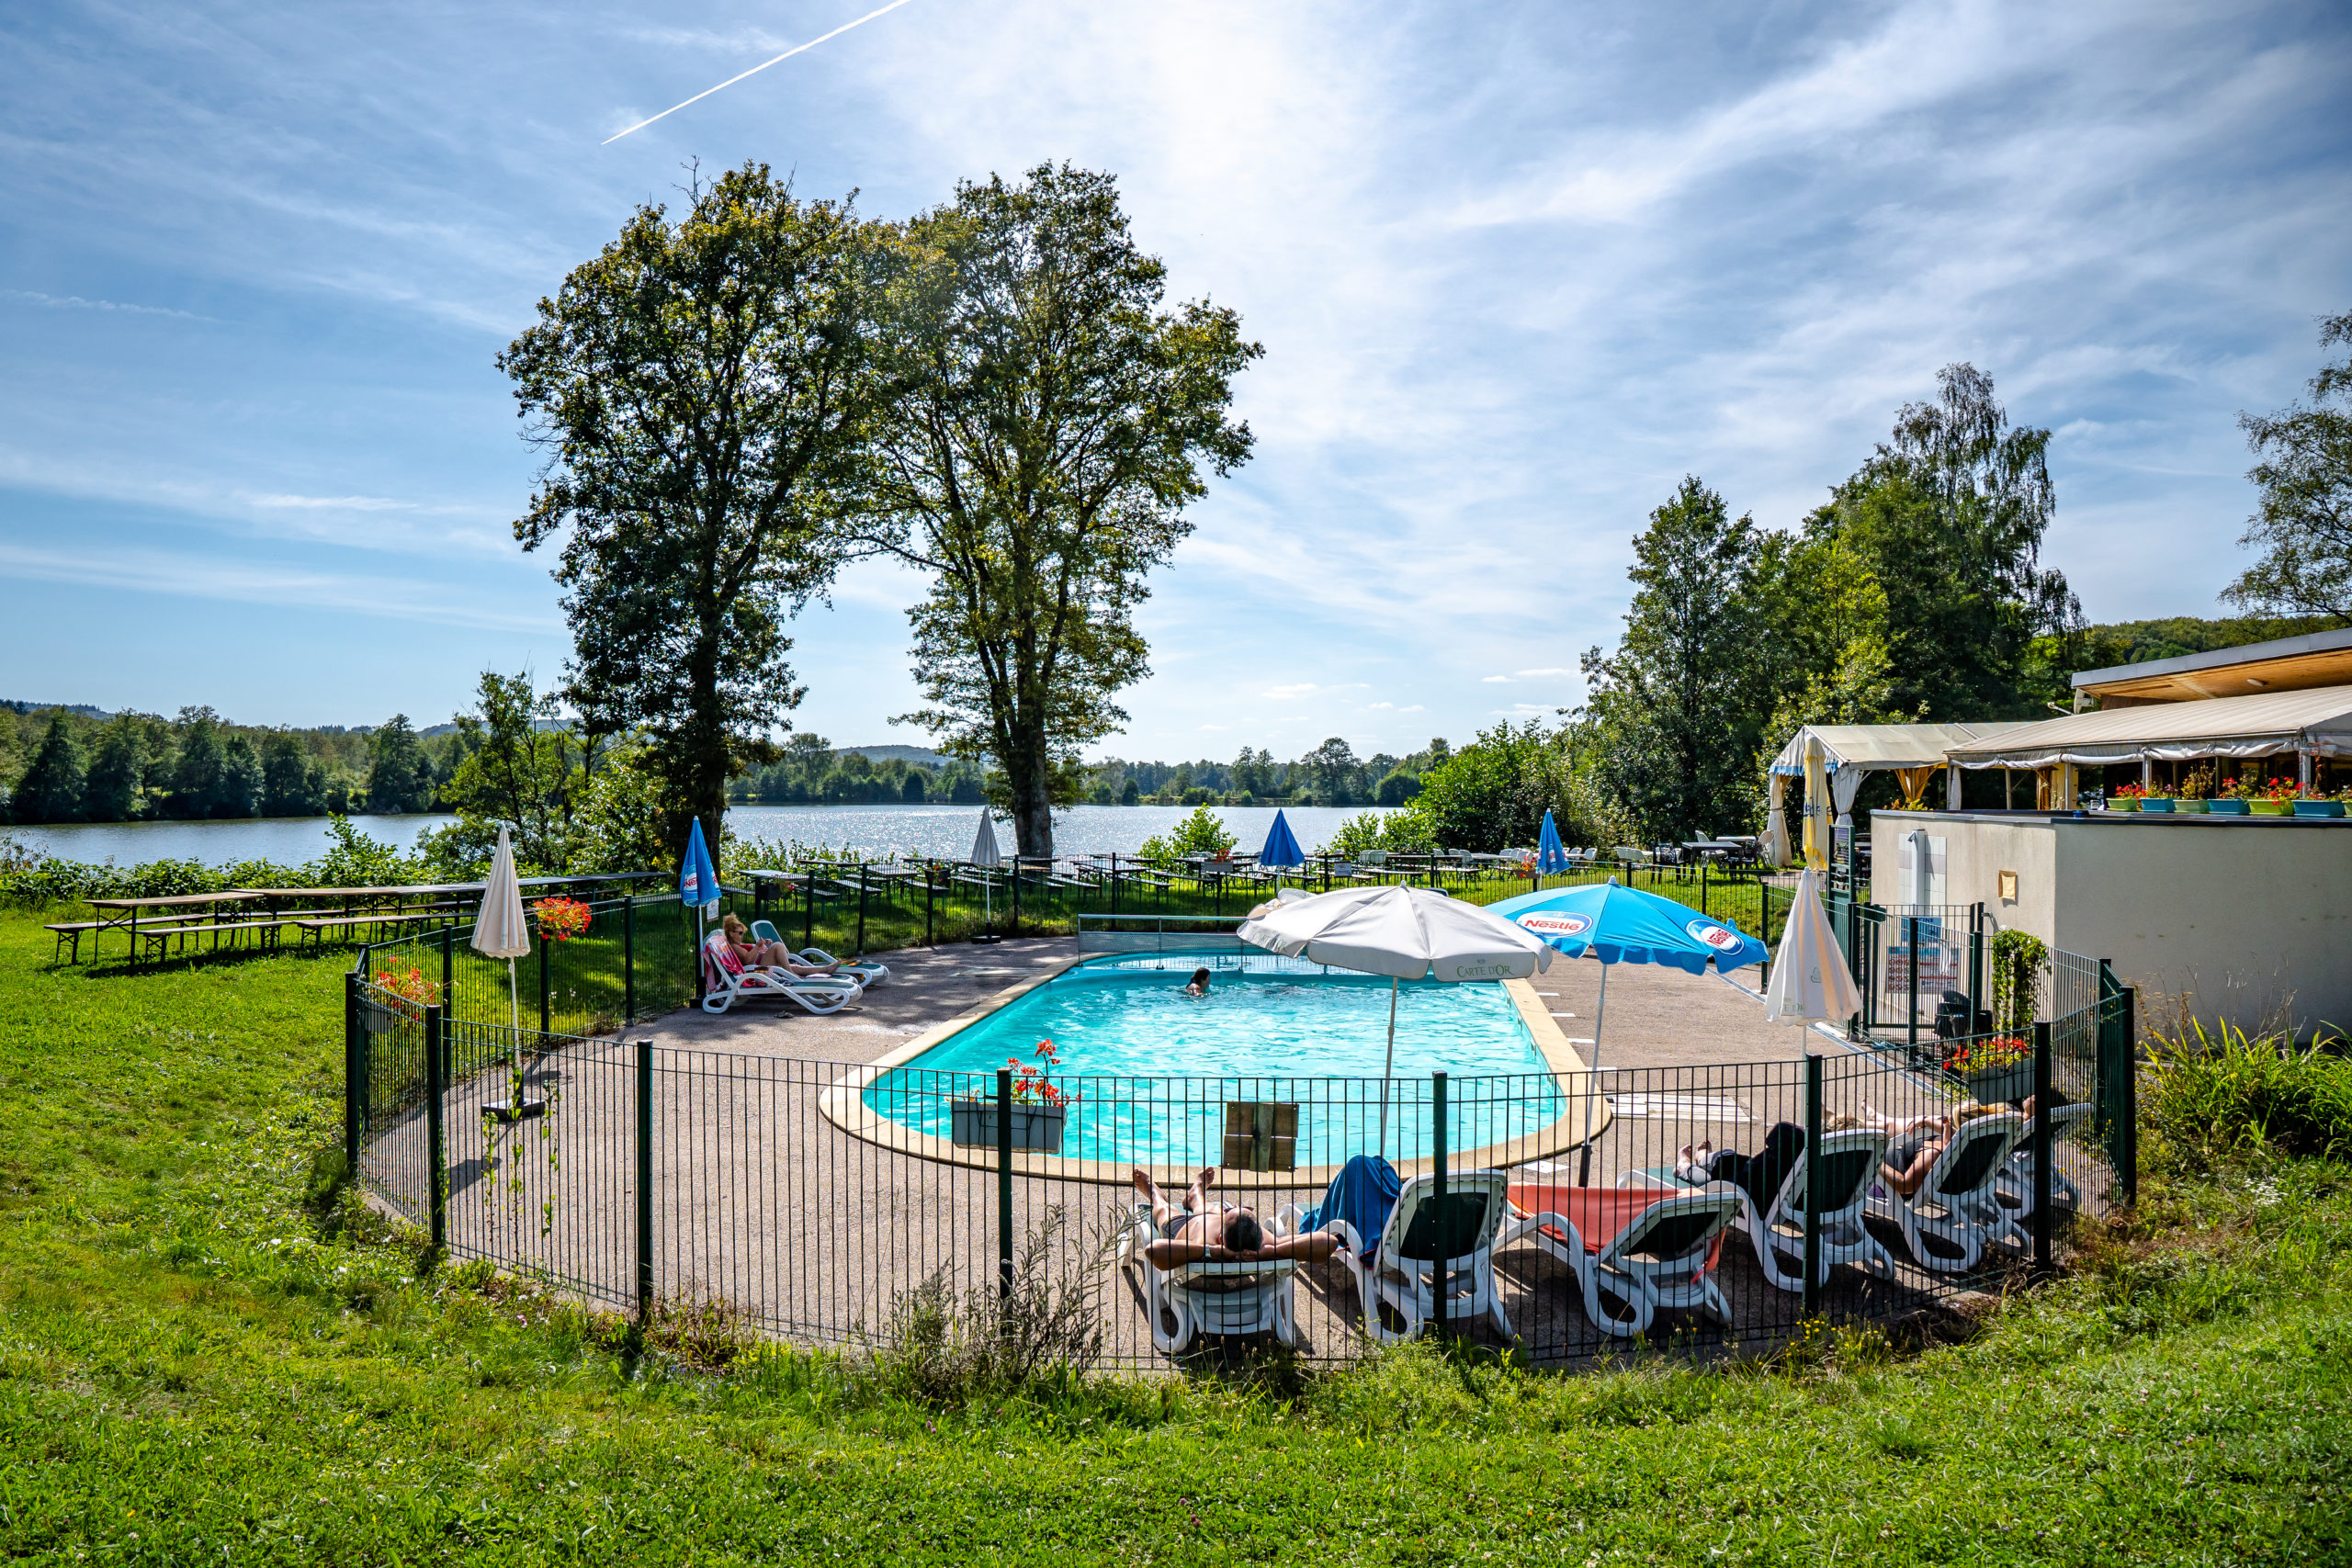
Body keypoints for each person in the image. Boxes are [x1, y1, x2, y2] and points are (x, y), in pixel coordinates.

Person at [1132, 1166, 1340, 1268]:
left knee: (1162, 1209)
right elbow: (1329, 1241)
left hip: (1185, 1230)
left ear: (1221, 1239)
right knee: (1209, 1209)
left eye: (1229, 1211)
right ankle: (1195, 1195)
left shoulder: (1202, 1246)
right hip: (1213, 1222)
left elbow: (1153, 1250)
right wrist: (1272, 1251)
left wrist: (1214, 1251)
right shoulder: (1266, 1243)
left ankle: (1154, 1192)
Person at [1675, 1114, 1862, 1213]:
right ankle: (1703, 1158)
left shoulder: (1795, 1144)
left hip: (1757, 1195)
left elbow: (1779, 1134)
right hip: (1800, 1200)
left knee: (1721, 1170)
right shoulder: (1848, 1165)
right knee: (1730, 1160)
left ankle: (1686, 1166)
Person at [719, 914, 838, 978]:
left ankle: (826, 969)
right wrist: (757, 947)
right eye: (740, 933)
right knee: (777, 946)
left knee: (796, 967)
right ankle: (790, 974)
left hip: (761, 970)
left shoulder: (738, 945)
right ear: (731, 933)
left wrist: (761, 945)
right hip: (758, 974)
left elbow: (750, 956)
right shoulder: (734, 947)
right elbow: (747, 960)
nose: (742, 935)